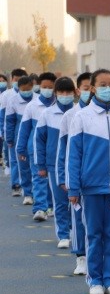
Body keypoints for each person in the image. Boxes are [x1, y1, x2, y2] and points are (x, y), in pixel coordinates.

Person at [66, 69, 110, 294]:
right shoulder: (81, 117)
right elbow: (74, 155)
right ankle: (95, 279)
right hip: (91, 187)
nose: (108, 88)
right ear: (92, 87)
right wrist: (74, 187)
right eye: (103, 84)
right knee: (94, 234)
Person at [56, 72, 91, 276]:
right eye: (85, 88)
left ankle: (99, 260)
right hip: (78, 177)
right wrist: (64, 177)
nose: (89, 91)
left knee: (101, 226)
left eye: (91, 87)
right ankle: (81, 258)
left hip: (100, 179)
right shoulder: (71, 115)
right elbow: (63, 150)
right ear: (79, 90)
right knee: (78, 219)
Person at [35, 77, 77, 249]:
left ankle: (75, 230)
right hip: (54, 165)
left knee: (75, 201)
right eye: (61, 92)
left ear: (74, 93)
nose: (65, 95)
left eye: (68, 92)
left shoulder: (79, 112)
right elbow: (39, 140)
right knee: (60, 201)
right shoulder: (47, 114)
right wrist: (41, 165)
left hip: (75, 165)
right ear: (55, 94)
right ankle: (63, 235)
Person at [17, 72, 57, 221]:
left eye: (50, 87)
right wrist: (21, 149)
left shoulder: (59, 105)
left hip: (54, 150)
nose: (47, 89)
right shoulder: (32, 106)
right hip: (35, 149)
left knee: (53, 180)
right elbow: (24, 129)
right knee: (39, 178)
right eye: (44, 87)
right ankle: (40, 208)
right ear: (39, 86)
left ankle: (51, 206)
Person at [4, 75, 34, 201]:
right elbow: (10, 121)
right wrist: (9, 139)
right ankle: (26, 192)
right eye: (23, 89)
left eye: (28, 89)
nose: (26, 92)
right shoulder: (13, 100)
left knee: (36, 166)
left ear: (33, 87)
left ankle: (37, 193)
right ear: (19, 89)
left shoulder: (37, 100)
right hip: (18, 137)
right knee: (22, 165)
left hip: (34, 138)